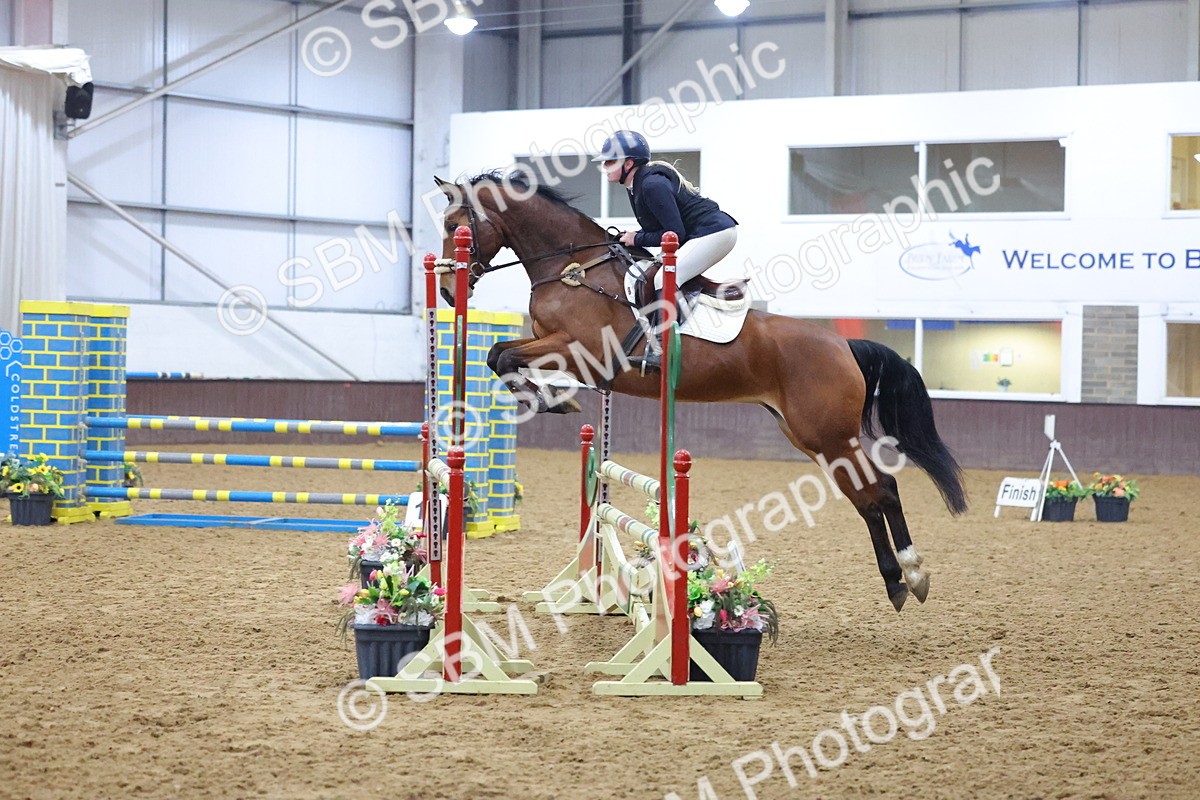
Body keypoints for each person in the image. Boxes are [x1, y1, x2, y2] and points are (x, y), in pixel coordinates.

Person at [592, 130, 738, 371]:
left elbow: (674, 235)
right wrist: (632, 237)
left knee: (665, 277)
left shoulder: (651, 185)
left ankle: (662, 348)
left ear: (628, 164)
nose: (605, 167)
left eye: (610, 161)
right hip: (703, 234)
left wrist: (636, 238)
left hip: (715, 233)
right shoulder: (636, 185)